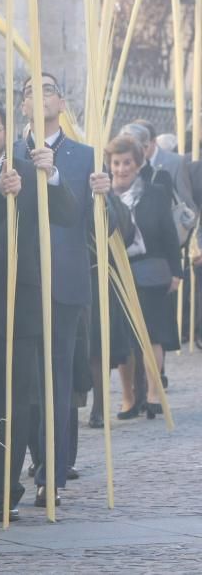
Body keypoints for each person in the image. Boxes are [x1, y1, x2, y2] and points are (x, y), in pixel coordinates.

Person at [0, 100, 77, 518]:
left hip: (17, 304)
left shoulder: (27, 172)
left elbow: (68, 212)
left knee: (12, 401)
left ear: (6, 132)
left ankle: (3, 488)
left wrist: (53, 174)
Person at [16, 72, 98, 508]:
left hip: (64, 281)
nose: (39, 95)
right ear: (23, 106)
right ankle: (30, 460)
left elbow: (106, 224)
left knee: (59, 380)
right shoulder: (11, 152)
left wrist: (107, 198)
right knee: (23, 383)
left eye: (47, 88)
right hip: (19, 281)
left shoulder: (86, 156)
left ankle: (53, 472)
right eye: (30, 91)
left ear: (62, 102)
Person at [106, 134, 182, 421]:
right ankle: (128, 397)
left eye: (127, 163)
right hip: (118, 273)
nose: (122, 168)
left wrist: (176, 272)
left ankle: (153, 393)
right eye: (116, 163)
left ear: (138, 164)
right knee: (124, 340)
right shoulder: (104, 196)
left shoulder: (155, 193)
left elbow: (169, 236)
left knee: (152, 334)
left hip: (151, 273)